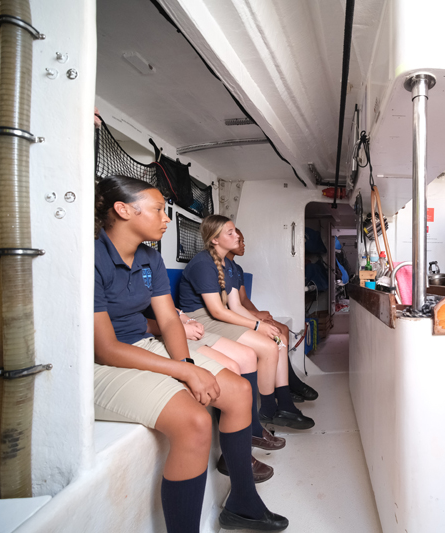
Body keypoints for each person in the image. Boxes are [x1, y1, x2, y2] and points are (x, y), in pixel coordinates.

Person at [93, 175, 287, 532]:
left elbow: (169, 320)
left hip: (144, 344)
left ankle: (243, 503)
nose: (166, 218)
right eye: (157, 210)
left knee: (238, 391)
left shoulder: (149, 257)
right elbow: (105, 349)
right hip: (99, 363)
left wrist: (185, 362)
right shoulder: (92, 257)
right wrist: (184, 372)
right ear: (123, 210)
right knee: (195, 422)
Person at [177, 215, 315, 429]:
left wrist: (264, 326)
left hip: (220, 315)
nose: (237, 236)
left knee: (278, 340)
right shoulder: (203, 264)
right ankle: (268, 409)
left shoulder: (229, 265)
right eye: (230, 233)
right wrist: (257, 325)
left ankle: (284, 404)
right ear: (215, 239)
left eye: (236, 231)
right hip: (202, 318)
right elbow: (216, 311)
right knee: (269, 347)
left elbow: (236, 306)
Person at [145, 310, 285, 483]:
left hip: (176, 326)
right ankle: (231, 455)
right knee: (231, 368)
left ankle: (248, 435)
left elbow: (169, 310)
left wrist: (187, 320)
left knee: (246, 357)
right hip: (156, 335)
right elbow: (134, 323)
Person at [229, 228, 318, 402]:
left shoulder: (236, 269)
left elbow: (243, 299)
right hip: (233, 317)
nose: (243, 245)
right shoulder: (219, 267)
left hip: (244, 312)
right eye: (240, 241)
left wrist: (260, 314)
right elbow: (228, 307)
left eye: (243, 241)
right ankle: (288, 385)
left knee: (283, 328)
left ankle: (285, 383)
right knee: (276, 335)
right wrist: (256, 317)